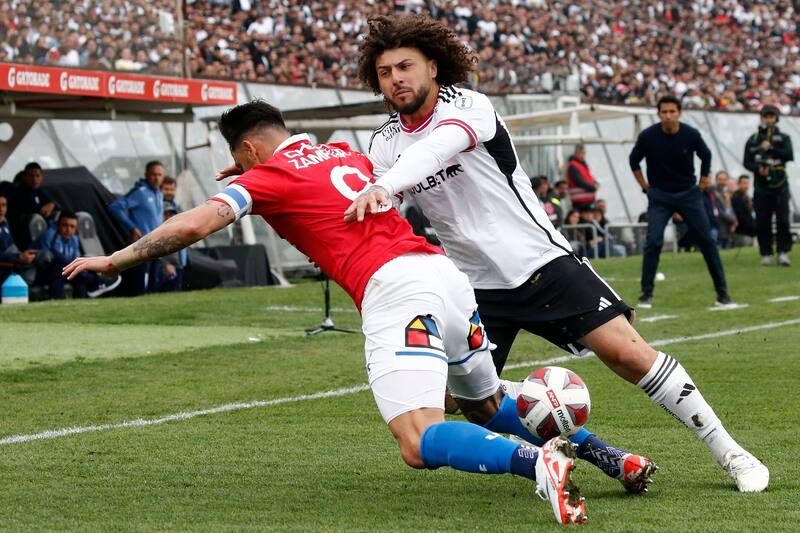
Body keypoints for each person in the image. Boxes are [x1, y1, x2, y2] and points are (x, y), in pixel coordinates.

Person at [65, 100, 591, 525]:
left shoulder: (263, 179)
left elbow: (191, 227)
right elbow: (323, 169)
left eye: (242, 157)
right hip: (446, 279)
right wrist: (257, 165)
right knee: (482, 403)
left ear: (247, 149)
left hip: (395, 290)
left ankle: (538, 463)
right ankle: (611, 456)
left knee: (416, 439)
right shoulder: (343, 152)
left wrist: (116, 258)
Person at [347, 13, 767, 494]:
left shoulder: (469, 106)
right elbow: (385, 213)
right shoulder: (384, 143)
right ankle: (601, 453)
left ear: (433, 68)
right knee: (458, 404)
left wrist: (382, 184)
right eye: (385, 72)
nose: (396, 78)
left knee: (630, 355)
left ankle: (731, 452)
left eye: (406, 66)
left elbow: (437, 150)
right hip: (472, 288)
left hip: (542, 264)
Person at [629, 95, 733, 308]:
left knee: (707, 241)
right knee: (654, 241)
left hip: (689, 194)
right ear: (658, 114)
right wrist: (644, 186)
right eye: (664, 112)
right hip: (659, 196)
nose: (668, 116)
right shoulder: (648, 136)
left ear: (679, 113)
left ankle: (723, 295)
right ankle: (646, 295)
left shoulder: (691, 134)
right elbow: (633, 161)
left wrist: (705, 178)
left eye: (672, 112)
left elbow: (706, 154)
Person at [743, 105, 794, 266]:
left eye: (772, 117)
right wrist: (758, 169)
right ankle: (766, 254)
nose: (769, 120)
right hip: (761, 186)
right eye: (766, 117)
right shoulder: (753, 138)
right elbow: (746, 162)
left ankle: (782, 252)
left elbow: (789, 156)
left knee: (783, 221)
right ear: (762, 118)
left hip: (780, 185)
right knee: (762, 221)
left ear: (776, 118)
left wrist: (772, 148)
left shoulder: (784, 138)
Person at [108, 161, 165, 295]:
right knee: (139, 284)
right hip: (142, 245)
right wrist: (132, 227)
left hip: (157, 243)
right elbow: (115, 207)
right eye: (153, 175)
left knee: (153, 283)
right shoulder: (140, 192)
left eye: (160, 175)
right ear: (146, 175)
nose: (157, 178)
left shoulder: (159, 194)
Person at [35, 211, 120, 299]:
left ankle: (81, 303)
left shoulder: (75, 239)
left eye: (72, 227)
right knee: (58, 267)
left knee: (79, 275)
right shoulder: (50, 235)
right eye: (65, 225)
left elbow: (75, 259)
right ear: (58, 224)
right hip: (42, 273)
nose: (68, 229)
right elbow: (52, 257)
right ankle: (97, 282)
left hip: (65, 271)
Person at [13, 162, 59, 248]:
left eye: (37, 176)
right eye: (31, 176)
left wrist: (52, 204)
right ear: (24, 177)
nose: (34, 179)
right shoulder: (19, 192)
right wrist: (47, 208)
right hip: (25, 235)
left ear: (41, 177)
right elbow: (35, 210)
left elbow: (54, 205)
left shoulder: (39, 190)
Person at [0, 193, 37, 284]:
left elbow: (10, 246)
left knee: (42, 256)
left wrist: (21, 255)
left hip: (12, 259)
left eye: (4, 205)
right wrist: (18, 257)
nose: (1, 209)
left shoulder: (5, 224)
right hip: (6, 265)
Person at [565, 145, 598, 211]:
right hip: (580, 201)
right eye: (580, 153)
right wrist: (592, 187)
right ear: (575, 153)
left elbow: (589, 178)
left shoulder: (582, 165)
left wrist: (596, 184)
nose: (582, 155)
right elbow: (578, 180)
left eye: (583, 153)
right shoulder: (573, 165)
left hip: (586, 199)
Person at [711, 171, 737, 249]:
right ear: (716, 180)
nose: (722, 182)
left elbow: (730, 210)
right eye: (720, 179)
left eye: (724, 179)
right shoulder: (713, 193)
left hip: (727, 229)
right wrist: (734, 221)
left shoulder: (726, 193)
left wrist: (734, 221)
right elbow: (719, 211)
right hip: (718, 228)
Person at [731, 175, 756, 248]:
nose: (746, 186)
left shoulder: (748, 198)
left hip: (751, 232)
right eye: (744, 183)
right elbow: (739, 216)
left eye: (747, 183)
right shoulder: (736, 198)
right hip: (742, 233)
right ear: (739, 184)